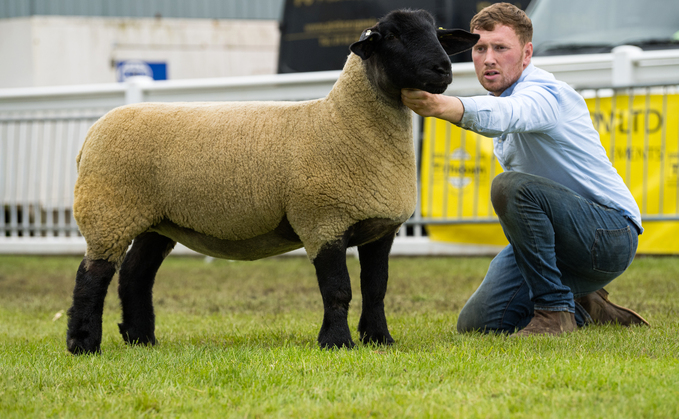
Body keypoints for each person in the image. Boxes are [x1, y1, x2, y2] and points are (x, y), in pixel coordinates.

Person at [401, 3, 649, 336]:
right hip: (563, 239)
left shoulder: (547, 93)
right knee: (477, 325)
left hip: (610, 237)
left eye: (500, 48)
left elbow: (512, 112)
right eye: (479, 48)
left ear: (527, 53)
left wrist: (441, 104)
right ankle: (586, 304)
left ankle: (554, 313)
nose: (488, 58)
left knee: (510, 187)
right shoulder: (505, 95)